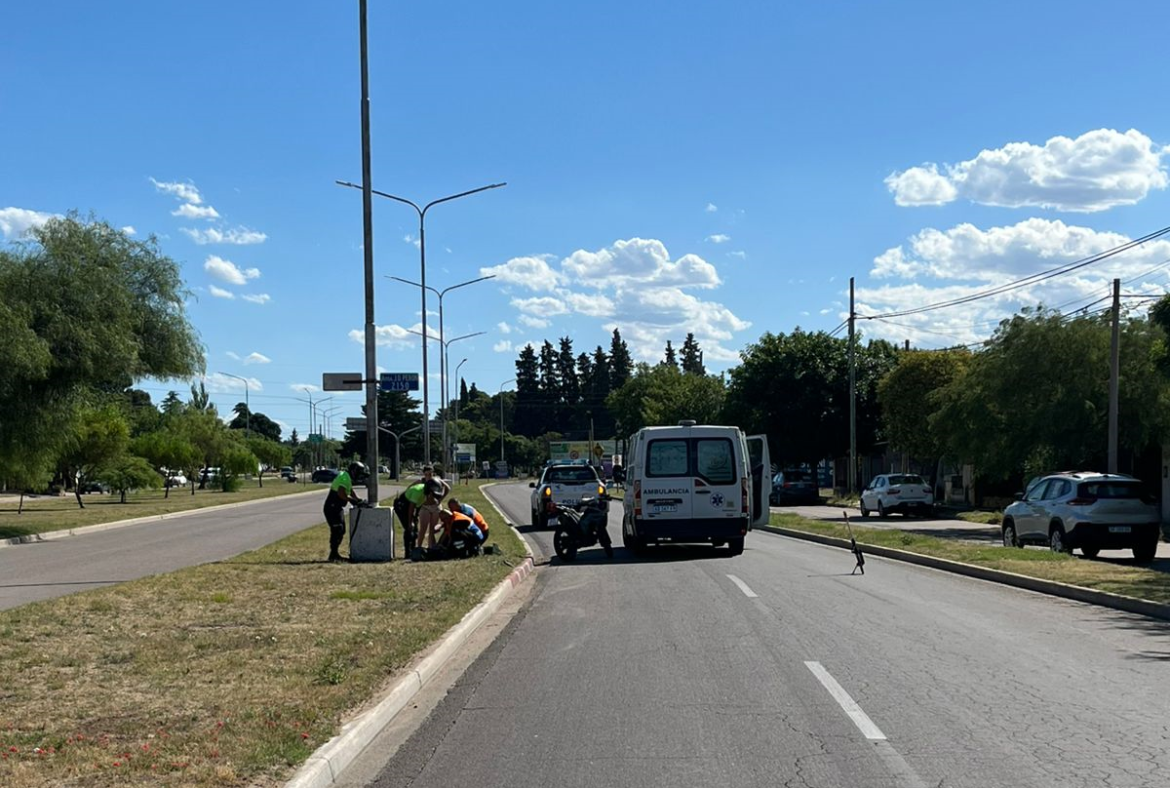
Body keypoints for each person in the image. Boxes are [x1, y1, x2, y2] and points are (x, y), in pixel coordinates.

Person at [323, 462, 364, 562]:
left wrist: (358, 499)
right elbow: (341, 493)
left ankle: (334, 553)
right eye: (359, 472)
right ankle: (333, 555)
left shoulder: (346, 477)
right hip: (332, 507)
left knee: (341, 530)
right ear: (354, 471)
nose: (359, 475)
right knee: (337, 529)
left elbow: (350, 490)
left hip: (337, 507)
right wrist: (351, 500)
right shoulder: (344, 478)